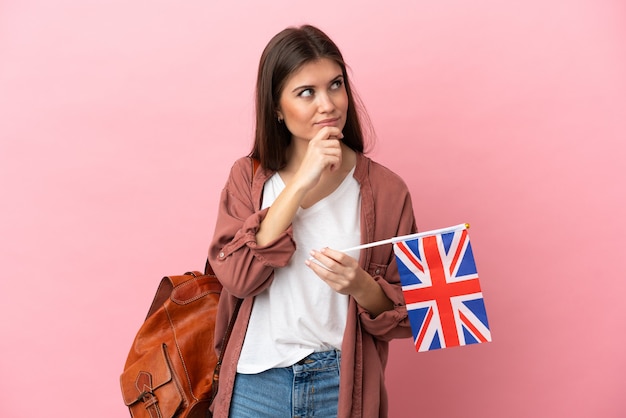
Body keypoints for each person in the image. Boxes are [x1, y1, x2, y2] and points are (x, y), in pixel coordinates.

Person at [208, 24, 417, 418]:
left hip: (341, 387)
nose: (329, 105)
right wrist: (301, 182)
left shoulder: (388, 191)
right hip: (255, 385)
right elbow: (237, 276)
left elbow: (412, 313)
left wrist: (362, 286)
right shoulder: (247, 178)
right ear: (276, 107)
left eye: (335, 85)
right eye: (307, 92)